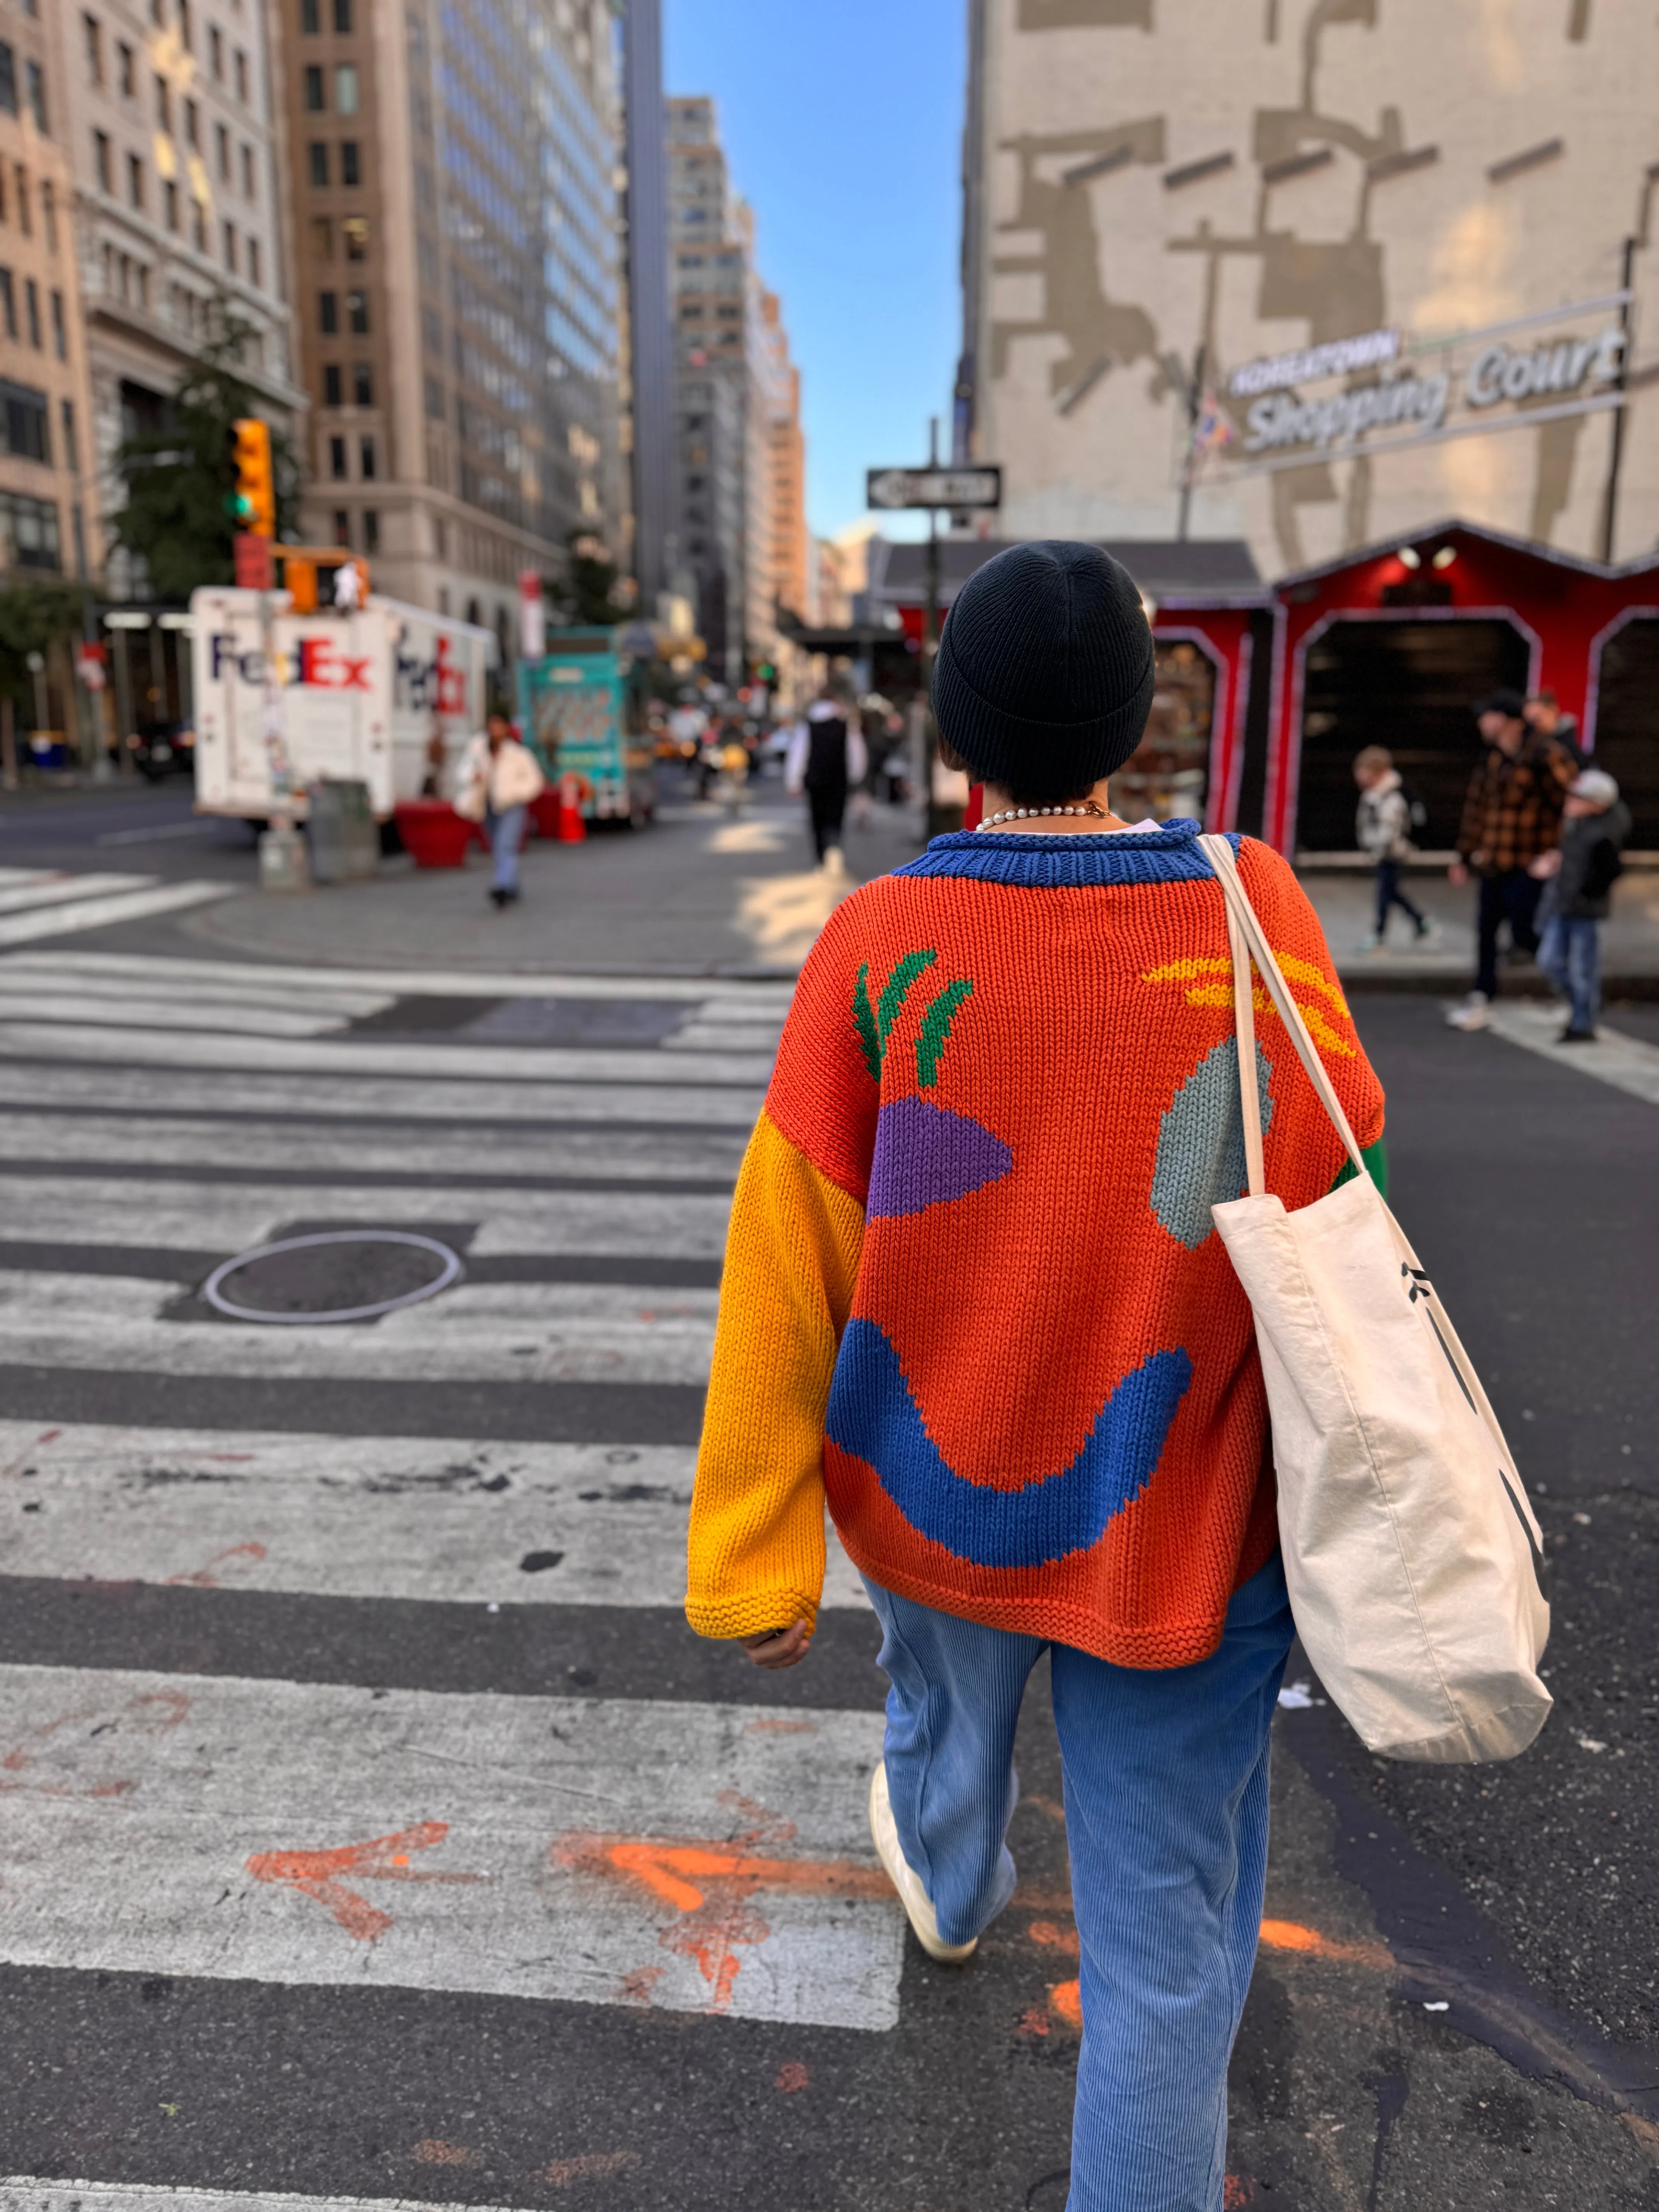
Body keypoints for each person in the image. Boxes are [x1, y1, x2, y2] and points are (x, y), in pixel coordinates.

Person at [686, 541, 1385, 2212]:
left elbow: (786, 1260)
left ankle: (947, 1877)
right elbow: (1337, 1134)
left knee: (943, 1718)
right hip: (1183, 1517)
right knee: (1161, 1959)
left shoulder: (875, 937)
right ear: (1136, 727)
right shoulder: (1250, 900)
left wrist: (753, 1552)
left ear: (953, 732)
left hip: (936, 1494)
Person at [1446, 687, 1576, 1032]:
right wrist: (1463, 855)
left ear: (1505, 720)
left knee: (1528, 933)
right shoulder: (1492, 758)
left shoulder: (1545, 754)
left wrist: (1558, 853)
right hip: (1494, 862)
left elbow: (1571, 803)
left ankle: (1569, 993)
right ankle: (1481, 997)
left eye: (1486, 716)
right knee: (1486, 933)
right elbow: (1477, 809)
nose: (1481, 723)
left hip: (1529, 864)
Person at [1531, 765, 1631, 1042]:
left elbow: (1610, 870)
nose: (1570, 803)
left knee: (1582, 968)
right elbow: (1574, 860)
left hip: (1583, 908)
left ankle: (1583, 1020)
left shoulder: (1601, 835)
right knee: (1550, 961)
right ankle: (1581, 1005)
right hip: (1564, 903)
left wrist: (1585, 893)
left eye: (1578, 798)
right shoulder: (1578, 826)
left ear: (1596, 806)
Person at [457, 711, 546, 908]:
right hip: (487, 804)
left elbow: (535, 781)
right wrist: (473, 776)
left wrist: (516, 794)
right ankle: (512, 884)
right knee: (497, 845)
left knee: (506, 845)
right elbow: (462, 770)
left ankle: (502, 885)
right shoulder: (479, 748)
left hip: (511, 806)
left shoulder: (518, 753)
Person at [1352, 744, 1431, 949]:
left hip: (1392, 853)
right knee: (1391, 892)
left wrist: (1378, 846)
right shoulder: (1374, 794)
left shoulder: (1391, 796)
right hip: (1383, 852)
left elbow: (1389, 828)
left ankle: (1379, 934)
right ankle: (1420, 922)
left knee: (1385, 894)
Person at [785, 688, 867, 867]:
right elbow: (857, 753)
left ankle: (820, 856)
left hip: (814, 780)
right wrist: (855, 775)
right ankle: (834, 848)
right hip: (839, 779)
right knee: (836, 816)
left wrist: (794, 781)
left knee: (817, 818)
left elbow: (798, 755)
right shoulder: (845, 725)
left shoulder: (808, 726)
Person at [1524, 688, 1585, 766]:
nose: (1536, 725)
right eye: (1531, 723)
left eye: (1538, 718)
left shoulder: (1567, 737)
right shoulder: (1531, 741)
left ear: (1553, 710)